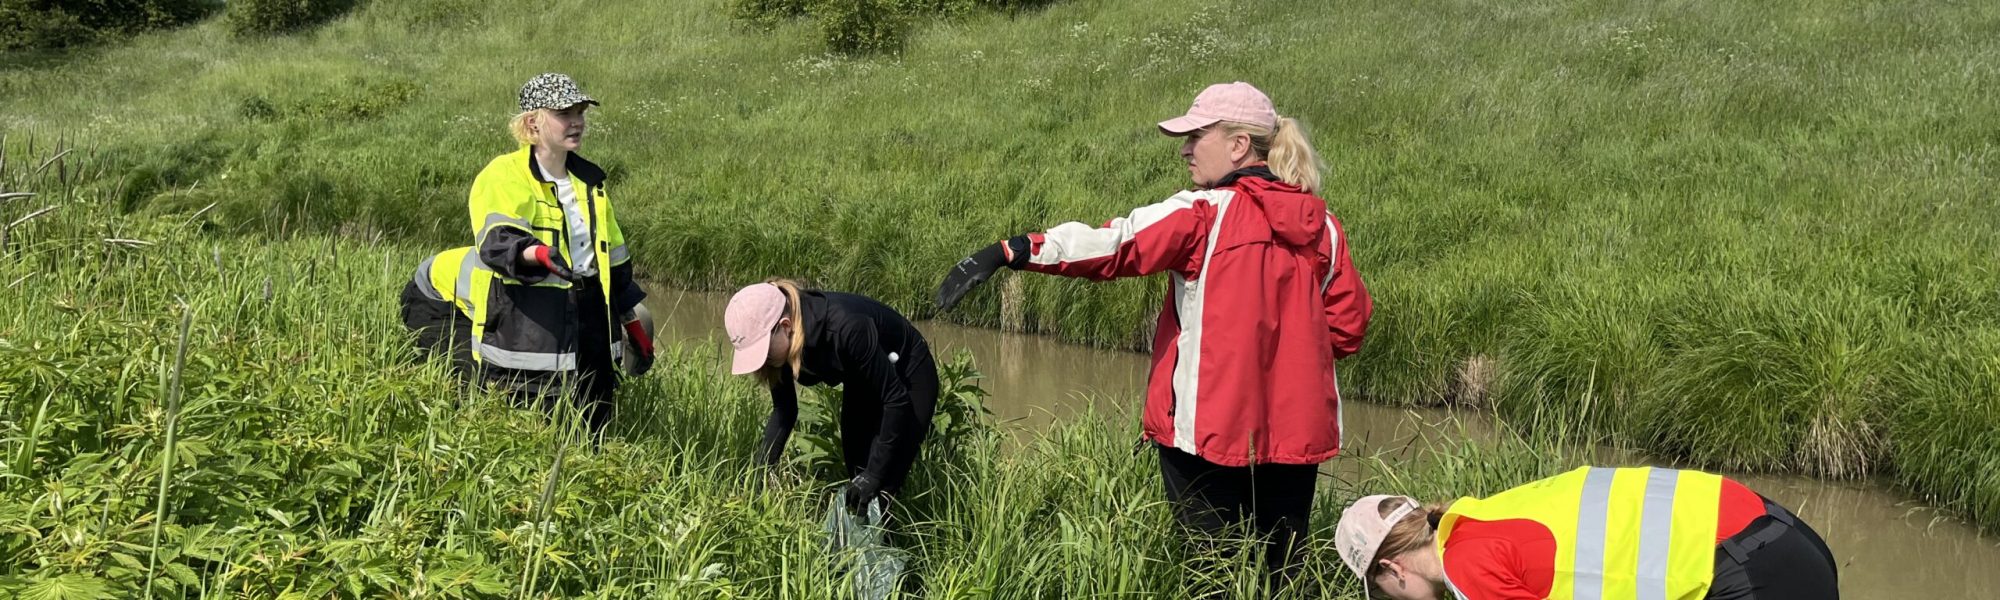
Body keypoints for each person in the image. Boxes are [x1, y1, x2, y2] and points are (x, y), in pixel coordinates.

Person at [933, 81, 1373, 579]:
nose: (1185, 149)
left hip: (1208, 433)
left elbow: (1115, 244)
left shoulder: (1202, 213)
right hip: (1297, 436)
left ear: (1238, 145)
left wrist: (1014, 250)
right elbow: (1348, 328)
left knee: (1213, 576)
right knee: (1284, 575)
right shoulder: (1325, 228)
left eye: (1196, 136)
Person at [1334, 466, 1839, 600]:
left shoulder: (1466, 568)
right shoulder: (1479, 517)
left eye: (1382, 597)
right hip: (1780, 535)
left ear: (1392, 569)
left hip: (1747, 571)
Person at [464, 73, 649, 436]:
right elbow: (496, 241)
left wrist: (631, 319)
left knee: (594, 424)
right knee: (533, 431)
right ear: (533, 122)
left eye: (580, 111)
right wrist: (534, 254)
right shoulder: (505, 174)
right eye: (564, 113)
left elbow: (613, 261)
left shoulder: (591, 183)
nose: (577, 121)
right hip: (533, 323)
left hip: (593, 319)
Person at [725, 280, 939, 514]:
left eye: (763, 351)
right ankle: (857, 539)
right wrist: (757, 478)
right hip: (861, 376)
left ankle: (885, 541)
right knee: (858, 472)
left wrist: (874, 476)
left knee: (883, 481)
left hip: (909, 372)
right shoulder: (780, 347)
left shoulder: (845, 326)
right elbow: (784, 412)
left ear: (785, 325)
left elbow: (895, 400)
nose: (761, 361)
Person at [398, 246, 654, 385]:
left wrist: (634, 327)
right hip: (433, 297)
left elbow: (612, 286)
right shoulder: (540, 304)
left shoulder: (584, 273)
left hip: (475, 289)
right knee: (479, 385)